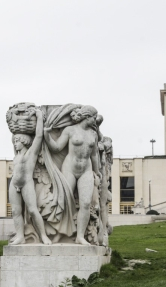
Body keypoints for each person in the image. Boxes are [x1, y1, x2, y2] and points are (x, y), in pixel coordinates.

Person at [44, 105, 101, 245]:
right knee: (64, 203)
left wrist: (97, 171)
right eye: (93, 117)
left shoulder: (92, 134)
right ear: (86, 117)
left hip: (86, 170)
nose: (95, 120)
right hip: (69, 168)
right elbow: (57, 148)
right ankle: (59, 234)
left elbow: (94, 155)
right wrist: (46, 135)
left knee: (86, 203)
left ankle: (80, 236)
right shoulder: (70, 130)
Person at [9, 108, 52, 245]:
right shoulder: (17, 156)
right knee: (16, 211)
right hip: (14, 184)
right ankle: (20, 236)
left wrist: (39, 117)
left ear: (24, 141)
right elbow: (12, 135)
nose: (15, 143)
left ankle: (43, 236)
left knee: (33, 210)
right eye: (14, 141)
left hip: (27, 183)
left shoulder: (31, 154)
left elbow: (39, 136)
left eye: (17, 141)